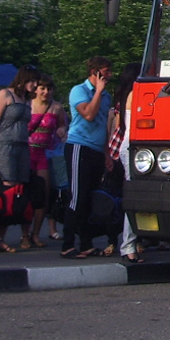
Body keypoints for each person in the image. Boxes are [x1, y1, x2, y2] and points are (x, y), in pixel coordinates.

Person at [0, 64, 41, 253]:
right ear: (23, 80)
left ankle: (1, 236)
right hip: (5, 146)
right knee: (5, 191)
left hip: (22, 147)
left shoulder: (26, 100)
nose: (35, 85)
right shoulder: (5, 95)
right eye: (32, 81)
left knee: (18, 192)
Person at [61, 56, 113, 259]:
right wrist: (98, 91)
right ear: (95, 73)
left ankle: (86, 243)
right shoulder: (79, 91)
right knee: (77, 196)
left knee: (90, 198)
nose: (109, 76)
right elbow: (89, 115)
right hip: (79, 147)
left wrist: (107, 153)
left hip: (96, 150)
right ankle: (67, 243)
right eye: (106, 72)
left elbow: (103, 125)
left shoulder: (106, 96)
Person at [26, 74, 67, 247]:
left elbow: (63, 125)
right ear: (36, 89)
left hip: (45, 153)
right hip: (27, 152)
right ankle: (24, 234)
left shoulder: (56, 108)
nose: (45, 92)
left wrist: (61, 130)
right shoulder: (27, 105)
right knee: (25, 194)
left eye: (49, 89)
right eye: (42, 88)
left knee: (42, 193)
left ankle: (36, 233)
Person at [112, 63, 146, 263]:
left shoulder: (127, 95)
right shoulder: (137, 94)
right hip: (133, 148)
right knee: (135, 197)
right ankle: (128, 245)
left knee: (136, 197)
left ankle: (132, 243)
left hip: (130, 147)